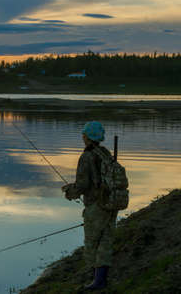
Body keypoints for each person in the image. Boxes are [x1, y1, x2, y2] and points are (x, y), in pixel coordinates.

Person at [62, 121, 117, 291]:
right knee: (105, 240)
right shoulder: (105, 153)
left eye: (84, 134)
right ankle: (101, 279)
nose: (82, 137)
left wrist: (70, 192)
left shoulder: (87, 156)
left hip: (96, 205)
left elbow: (83, 184)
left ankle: (97, 281)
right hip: (111, 202)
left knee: (93, 242)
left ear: (88, 137)